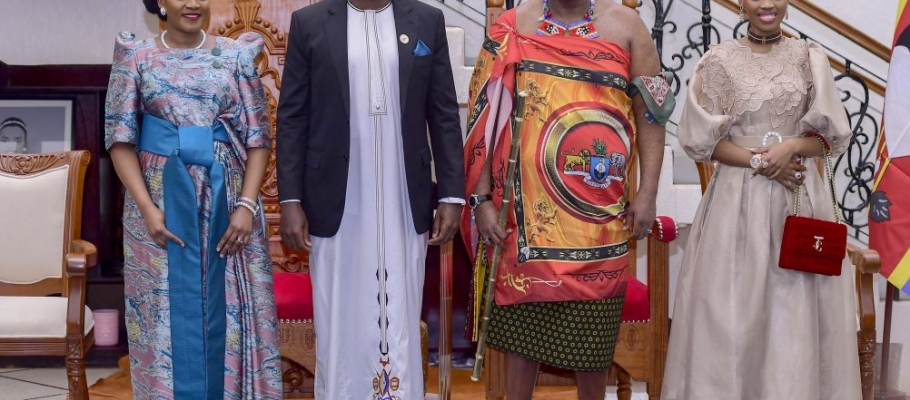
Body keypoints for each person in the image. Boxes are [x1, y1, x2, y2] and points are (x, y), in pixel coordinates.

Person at [461, 0, 674, 398]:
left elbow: (653, 115)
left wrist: (647, 193)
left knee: (591, 354)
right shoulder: (511, 28)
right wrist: (482, 199)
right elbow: (482, 117)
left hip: (599, 227)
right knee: (520, 350)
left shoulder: (629, 28)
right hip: (523, 225)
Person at [662, 0, 861, 399]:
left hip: (799, 200)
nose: (766, 4)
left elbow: (831, 137)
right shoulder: (718, 61)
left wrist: (791, 148)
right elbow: (703, 142)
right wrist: (762, 161)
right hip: (735, 204)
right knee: (731, 315)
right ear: (740, 3)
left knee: (794, 314)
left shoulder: (809, 57)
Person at [274, 0, 464, 397]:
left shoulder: (427, 20)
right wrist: (290, 199)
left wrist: (450, 193)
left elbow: (443, 113)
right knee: (338, 310)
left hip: (402, 192)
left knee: (401, 305)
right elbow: (292, 117)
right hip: (333, 196)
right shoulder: (309, 23)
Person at [105, 0, 280, 398]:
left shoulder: (237, 54)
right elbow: (119, 141)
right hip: (158, 205)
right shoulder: (136, 56)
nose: (193, 3)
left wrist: (246, 207)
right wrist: (148, 209)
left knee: (230, 312)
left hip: (229, 205)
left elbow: (259, 141)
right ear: (159, 2)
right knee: (163, 315)